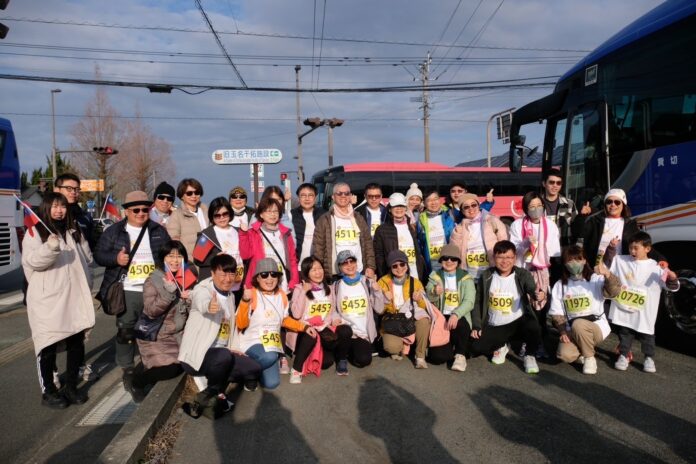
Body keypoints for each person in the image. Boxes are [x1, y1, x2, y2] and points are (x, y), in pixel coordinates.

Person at [22, 192, 95, 409]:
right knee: (47, 345)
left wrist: (87, 281)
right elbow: (32, 262)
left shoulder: (74, 230)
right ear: (46, 208)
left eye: (62, 206)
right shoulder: (35, 232)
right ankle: (49, 392)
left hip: (73, 297)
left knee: (76, 343)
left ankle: (71, 387)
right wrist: (50, 247)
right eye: (54, 206)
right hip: (48, 301)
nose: (59, 210)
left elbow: (88, 259)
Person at [95, 190, 170, 392]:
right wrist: (116, 259)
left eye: (145, 209)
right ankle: (127, 367)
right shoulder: (114, 232)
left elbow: (169, 253)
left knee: (152, 328)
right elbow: (99, 255)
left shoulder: (158, 230)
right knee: (126, 330)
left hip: (153, 288)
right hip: (127, 288)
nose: (141, 213)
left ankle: (151, 361)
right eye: (136, 210)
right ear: (126, 211)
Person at [178, 254, 262, 411]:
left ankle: (215, 381)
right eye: (223, 274)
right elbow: (200, 301)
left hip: (222, 354)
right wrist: (209, 306)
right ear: (212, 273)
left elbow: (231, 327)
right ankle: (212, 391)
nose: (228, 279)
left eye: (231, 274)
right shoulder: (202, 289)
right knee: (223, 356)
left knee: (253, 367)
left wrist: (235, 348)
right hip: (198, 356)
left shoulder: (230, 296)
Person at [235, 258, 317, 390]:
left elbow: (284, 320)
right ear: (257, 278)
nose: (269, 278)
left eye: (274, 274)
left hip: (271, 345)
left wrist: (304, 327)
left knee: (272, 383)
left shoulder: (281, 295)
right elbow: (240, 324)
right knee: (270, 356)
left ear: (278, 278)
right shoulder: (252, 294)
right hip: (251, 342)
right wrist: (244, 301)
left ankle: (252, 371)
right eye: (264, 275)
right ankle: (245, 374)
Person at [608, 232, 679, 373]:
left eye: (636, 248)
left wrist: (671, 276)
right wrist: (611, 248)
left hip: (645, 308)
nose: (632, 251)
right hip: (625, 306)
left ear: (647, 249)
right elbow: (608, 263)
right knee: (625, 331)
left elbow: (672, 286)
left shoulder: (656, 267)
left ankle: (649, 358)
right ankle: (623, 355)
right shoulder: (621, 260)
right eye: (630, 248)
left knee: (646, 333)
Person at [130, 240, 192, 402]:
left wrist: (188, 301)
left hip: (177, 333)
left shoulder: (185, 277)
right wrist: (168, 293)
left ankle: (144, 367)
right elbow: (151, 311)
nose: (175, 260)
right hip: (157, 334)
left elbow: (186, 311)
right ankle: (136, 382)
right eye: (170, 256)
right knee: (170, 370)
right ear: (163, 258)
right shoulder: (153, 280)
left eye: (179, 256)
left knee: (185, 365)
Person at [471, 240, 545, 375]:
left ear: (514, 258)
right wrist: (477, 325)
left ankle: (529, 355)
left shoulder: (522, 274)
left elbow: (531, 288)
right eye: (500, 257)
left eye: (509, 257)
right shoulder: (486, 275)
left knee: (533, 325)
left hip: (517, 322)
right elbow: (478, 302)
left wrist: (538, 295)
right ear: (494, 258)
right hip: (495, 324)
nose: (504, 261)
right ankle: (502, 345)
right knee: (476, 347)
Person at [549, 245, 620, 374]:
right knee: (564, 354)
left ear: (585, 261)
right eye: (570, 260)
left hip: (596, 325)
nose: (574, 263)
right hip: (572, 329)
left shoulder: (595, 279)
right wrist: (563, 332)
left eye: (578, 259)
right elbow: (556, 313)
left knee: (579, 324)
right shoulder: (560, 285)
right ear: (564, 264)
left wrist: (607, 274)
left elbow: (614, 292)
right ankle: (584, 349)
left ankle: (589, 358)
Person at [286, 256, 340, 384]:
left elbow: (332, 311)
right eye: (313, 270)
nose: (318, 272)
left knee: (327, 363)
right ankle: (296, 369)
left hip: (322, 327)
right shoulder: (299, 289)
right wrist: (304, 291)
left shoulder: (329, 289)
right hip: (304, 330)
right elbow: (296, 314)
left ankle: (312, 353)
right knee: (311, 334)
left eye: (319, 268)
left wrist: (335, 319)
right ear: (306, 273)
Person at [332, 250, 385, 374]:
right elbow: (332, 308)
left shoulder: (367, 282)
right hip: (345, 330)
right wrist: (335, 317)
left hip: (362, 333)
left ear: (357, 263)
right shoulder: (336, 285)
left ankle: (349, 351)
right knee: (345, 331)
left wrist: (377, 291)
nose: (349, 265)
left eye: (352, 261)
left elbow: (379, 309)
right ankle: (341, 359)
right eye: (345, 263)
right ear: (340, 267)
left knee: (364, 360)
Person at [426, 244, 475, 372]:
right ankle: (450, 348)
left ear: (458, 261)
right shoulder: (434, 276)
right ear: (441, 260)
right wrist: (434, 292)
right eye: (445, 258)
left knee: (461, 324)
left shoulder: (466, 278)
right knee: (437, 358)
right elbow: (428, 297)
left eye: (453, 258)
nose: (449, 261)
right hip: (441, 316)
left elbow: (469, 301)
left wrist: (456, 314)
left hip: (459, 316)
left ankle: (460, 355)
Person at [378, 250, 431, 369]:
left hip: (410, 317)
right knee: (392, 348)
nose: (399, 268)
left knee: (424, 321)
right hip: (392, 320)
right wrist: (385, 300)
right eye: (395, 266)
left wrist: (419, 300)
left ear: (407, 265)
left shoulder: (415, 282)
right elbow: (379, 311)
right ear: (390, 267)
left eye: (402, 264)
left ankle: (420, 356)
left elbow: (423, 307)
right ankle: (402, 345)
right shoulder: (383, 282)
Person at [313, 182, 376, 280]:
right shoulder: (324, 220)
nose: (343, 196)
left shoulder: (358, 218)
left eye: (346, 193)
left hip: (359, 272)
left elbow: (368, 244)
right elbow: (318, 249)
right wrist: (320, 272)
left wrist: (370, 267)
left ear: (350, 196)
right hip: (335, 274)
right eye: (339, 193)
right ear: (333, 197)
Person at [239, 197, 299, 293]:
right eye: (268, 211)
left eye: (275, 211)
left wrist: (294, 281)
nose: (273, 214)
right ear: (261, 214)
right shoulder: (253, 232)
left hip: (281, 281)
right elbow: (245, 255)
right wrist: (243, 234)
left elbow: (292, 260)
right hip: (260, 280)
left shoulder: (286, 233)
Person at [449, 193, 508, 282]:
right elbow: (454, 250)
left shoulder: (492, 220)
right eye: (466, 207)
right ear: (462, 211)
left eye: (473, 205)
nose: (471, 209)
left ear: (478, 206)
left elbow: (505, 245)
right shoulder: (459, 228)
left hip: (492, 272)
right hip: (470, 275)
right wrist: (460, 229)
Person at [581, 188, 644, 267]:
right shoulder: (594, 221)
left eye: (617, 202)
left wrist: (658, 259)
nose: (613, 204)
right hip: (598, 268)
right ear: (605, 204)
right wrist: (581, 216)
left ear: (623, 205)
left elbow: (643, 244)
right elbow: (579, 236)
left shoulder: (630, 224)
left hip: (622, 268)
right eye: (609, 202)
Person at [374, 193, 426, 282]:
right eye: (395, 206)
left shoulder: (411, 227)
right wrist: (384, 277)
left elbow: (417, 252)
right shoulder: (381, 230)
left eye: (401, 206)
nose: (399, 209)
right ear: (390, 209)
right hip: (395, 275)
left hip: (414, 273)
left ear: (406, 208)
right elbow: (379, 256)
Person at [194, 197, 244, 288]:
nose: (222, 218)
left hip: (238, 282)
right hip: (215, 285)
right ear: (212, 217)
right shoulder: (206, 235)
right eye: (217, 215)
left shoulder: (239, 231)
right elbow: (197, 259)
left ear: (230, 213)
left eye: (225, 214)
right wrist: (215, 258)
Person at [166, 178, 209, 258]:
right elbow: (174, 240)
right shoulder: (177, 215)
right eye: (189, 193)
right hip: (189, 260)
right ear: (182, 196)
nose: (194, 196)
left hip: (209, 259)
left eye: (197, 193)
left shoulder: (206, 211)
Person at [416, 190, 455, 275]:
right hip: (432, 262)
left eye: (435, 199)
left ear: (440, 200)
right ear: (424, 203)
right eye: (429, 200)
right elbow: (419, 242)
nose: (433, 203)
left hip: (449, 260)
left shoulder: (449, 214)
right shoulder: (421, 220)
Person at [54, 172, 95, 250]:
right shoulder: (47, 214)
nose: (73, 192)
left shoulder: (85, 217)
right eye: (69, 188)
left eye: (77, 189)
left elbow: (91, 245)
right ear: (57, 190)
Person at [291, 183, 326, 269]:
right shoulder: (291, 215)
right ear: (298, 197)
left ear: (315, 197)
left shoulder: (324, 215)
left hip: (320, 266)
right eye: (303, 195)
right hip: (298, 266)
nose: (307, 199)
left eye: (310, 195)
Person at [540, 169, 578, 247]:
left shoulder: (569, 204)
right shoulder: (536, 203)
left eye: (558, 183)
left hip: (563, 248)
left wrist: (583, 216)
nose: (555, 185)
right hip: (541, 247)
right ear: (544, 183)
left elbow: (576, 228)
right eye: (551, 182)